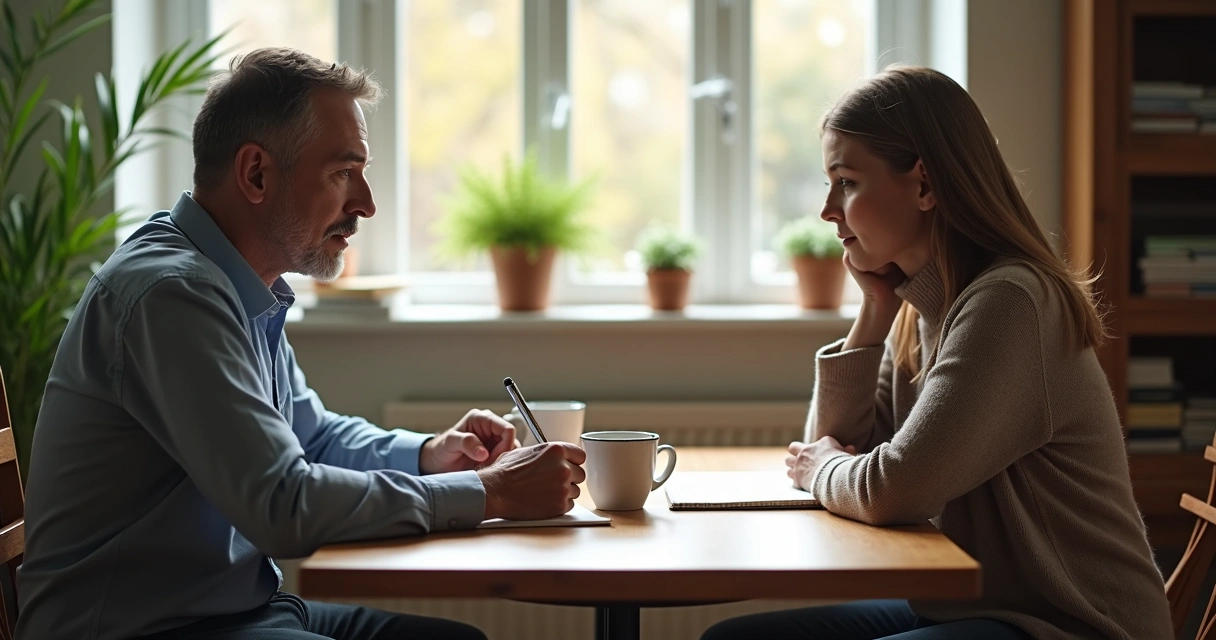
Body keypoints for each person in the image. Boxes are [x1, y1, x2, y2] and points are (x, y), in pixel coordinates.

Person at [16, 47, 586, 640]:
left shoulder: (236, 285)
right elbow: (282, 503)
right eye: (343, 173)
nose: (365, 203)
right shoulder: (173, 295)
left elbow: (311, 437)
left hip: (230, 613)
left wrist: (431, 453)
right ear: (257, 173)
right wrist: (489, 491)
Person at [703, 66, 1173, 640]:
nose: (828, 210)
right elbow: (843, 440)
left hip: (1068, 624)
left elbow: (890, 488)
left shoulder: (1009, 303)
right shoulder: (926, 305)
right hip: (969, 608)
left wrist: (819, 468)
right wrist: (874, 312)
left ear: (924, 185)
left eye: (846, 182)